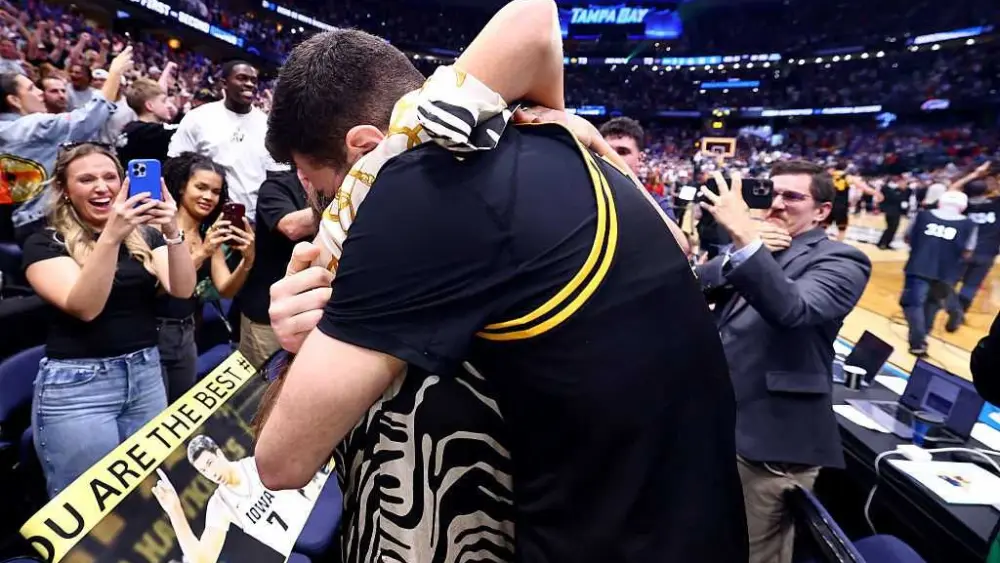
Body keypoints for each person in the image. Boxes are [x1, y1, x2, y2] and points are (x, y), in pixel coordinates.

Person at [255, 7, 747, 563]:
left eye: (321, 187)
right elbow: (535, 18)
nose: (325, 211)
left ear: (369, 149)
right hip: (705, 527)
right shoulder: (574, 150)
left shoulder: (417, 192)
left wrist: (300, 346)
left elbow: (280, 462)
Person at [696, 161, 871, 563]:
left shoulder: (843, 260)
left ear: (822, 210)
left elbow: (794, 309)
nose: (777, 203)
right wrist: (740, 251)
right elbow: (696, 280)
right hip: (719, 423)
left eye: (792, 196)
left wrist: (746, 239)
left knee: (752, 550)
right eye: (771, 193)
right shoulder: (760, 244)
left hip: (770, 439)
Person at [21, 143, 196, 496]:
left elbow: (183, 287)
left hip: (146, 375)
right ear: (65, 191)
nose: (101, 187)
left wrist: (171, 228)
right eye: (86, 179)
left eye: (110, 177)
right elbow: (86, 307)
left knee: (148, 492)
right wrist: (112, 236)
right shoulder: (43, 241)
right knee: (88, 503)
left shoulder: (144, 235)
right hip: (79, 389)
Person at [0, 46, 133, 244]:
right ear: (13, 100)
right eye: (31, 88)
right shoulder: (30, 126)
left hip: (18, 225)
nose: (40, 93)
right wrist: (114, 73)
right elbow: (90, 117)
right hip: (44, 220)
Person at [156, 153, 254, 402]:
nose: (208, 197)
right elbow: (161, 286)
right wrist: (203, 252)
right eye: (201, 187)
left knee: (178, 406)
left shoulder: (207, 233)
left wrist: (247, 261)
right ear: (181, 187)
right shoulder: (157, 227)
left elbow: (225, 289)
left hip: (188, 333)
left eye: (215, 192)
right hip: (152, 333)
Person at [152, 435, 322, 562]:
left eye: (210, 463)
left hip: (320, 525)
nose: (211, 473)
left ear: (219, 453)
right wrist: (174, 510)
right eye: (204, 470)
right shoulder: (220, 504)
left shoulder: (258, 464)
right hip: (298, 553)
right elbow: (202, 560)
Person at [168, 60, 284, 218]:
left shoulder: (267, 126)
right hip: (203, 215)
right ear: (224, 83)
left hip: (252, 217)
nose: (250, 84)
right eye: (242, 78)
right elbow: (176, 164)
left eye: (254, 80)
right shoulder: (198, 118)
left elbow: (277, 176)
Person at [235, 169, 313, 368]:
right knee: (268, 381)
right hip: (267, 313)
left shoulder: (335, 185)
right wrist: (347, 202)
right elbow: (291, 227)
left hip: (309, 309)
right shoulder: (276, 186)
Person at [901, 190, 976, 356]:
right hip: (947, 272)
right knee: (932, 304)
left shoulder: (922, 216)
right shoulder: (969, 225)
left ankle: (918, 340)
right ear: (963, 206)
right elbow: (968, 251)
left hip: (918, 266)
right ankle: (924, 336)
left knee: (911, 303)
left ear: (941, 201)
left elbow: (907, 237)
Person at [946, 162, 1000, 329]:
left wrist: (975, 173)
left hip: (963, 251)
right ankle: (959, 313)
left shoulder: (966, 203)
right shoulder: (997, 204)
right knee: (971, 286)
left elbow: (951, 191)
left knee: (947, 283)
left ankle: (954, 309)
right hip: (987, 253)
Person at [116, 78, 178, 164]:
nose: (169, 106)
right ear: (149, 106)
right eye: (163, 101)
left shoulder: (130, 128)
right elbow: (183, 128)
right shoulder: (148, 131)